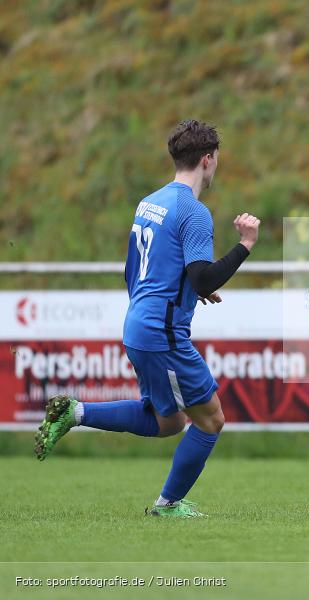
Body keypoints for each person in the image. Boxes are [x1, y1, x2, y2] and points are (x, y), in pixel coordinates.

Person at [34, 120, 261, 518]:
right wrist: (245, 244)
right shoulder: (194, 212)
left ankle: (76, 412)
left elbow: (138, 271)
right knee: (211, 419)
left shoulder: (149, 203)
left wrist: (187, 292)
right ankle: (167, 505)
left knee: (168, 420)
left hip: (139, 323)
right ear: (207, 160)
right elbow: (203, 276)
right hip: (162, 332)